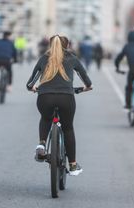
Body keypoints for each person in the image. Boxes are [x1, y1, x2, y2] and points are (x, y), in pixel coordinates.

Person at [26, 35, 92, 176]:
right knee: (68, 128)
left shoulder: (44, 58)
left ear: (50, 45)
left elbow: (30, 83)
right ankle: (73, 165)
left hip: (45, 98)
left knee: (46, 118)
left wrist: (32, 88)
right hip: (66, 98)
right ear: (67, 46)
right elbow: (86, 79)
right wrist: (86, 87)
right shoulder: (72, 58)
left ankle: (42, 144)